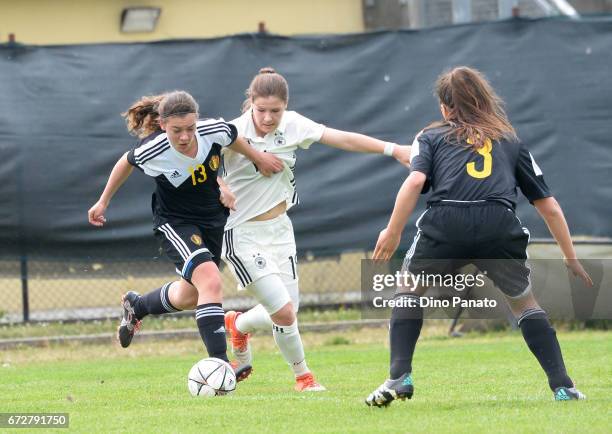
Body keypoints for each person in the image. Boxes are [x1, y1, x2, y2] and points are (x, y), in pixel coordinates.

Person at [364, 66, 593, 407]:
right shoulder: (510, 140)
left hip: (447, 221)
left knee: (408, 289)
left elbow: (414, 182)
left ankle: (399, 375)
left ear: (444, 107)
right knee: (525, 304)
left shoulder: (429, 136)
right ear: (483, 100)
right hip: (497, 224)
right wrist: (570, 256)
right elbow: (549, 206)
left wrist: (392, 231)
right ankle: (563, 386)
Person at [219, 67, 412, 392]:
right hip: (241, 233)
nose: (268, 117)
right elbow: (198, 163)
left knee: (287, 310)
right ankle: (303, 377)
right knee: (282, 312)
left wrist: (393, 150)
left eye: (275, 111)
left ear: (286, 106)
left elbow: (343, 138)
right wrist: (220, 185)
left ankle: (238, 324)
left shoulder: (293, 124)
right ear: (250, 102)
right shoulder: (231, 132)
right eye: (261, 110)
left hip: (280, 231)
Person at [87, 90, 283, 381]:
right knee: (211, 280)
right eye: (176, 130)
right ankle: (220, 363)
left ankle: (137, 306)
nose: (184, 136)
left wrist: (258, 158)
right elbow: (125, 163)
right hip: (175, 222)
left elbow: (232, 138)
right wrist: (103, 201)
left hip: (213, 220)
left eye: (190, 128)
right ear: (163, 124)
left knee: (192, 294)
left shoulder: (212, 130)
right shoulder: (152, 150)